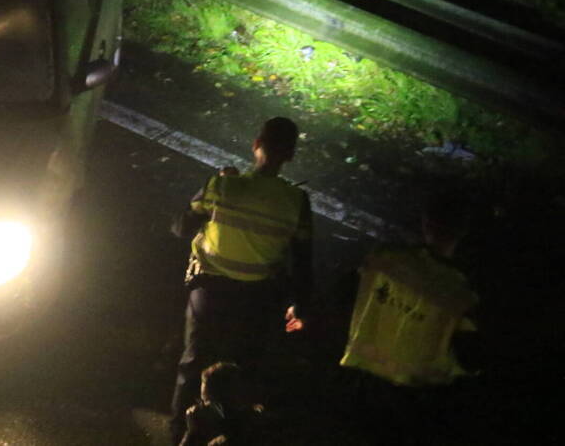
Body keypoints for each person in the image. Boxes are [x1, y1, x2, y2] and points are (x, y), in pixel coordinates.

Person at [170, 117, 313, 444]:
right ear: (290, 155)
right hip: (258, 298)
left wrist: (217, 183)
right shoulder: (297, 202)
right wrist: (300, 305)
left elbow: (180, 227)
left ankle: (180, 433)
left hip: (209, 292)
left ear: (256, 144)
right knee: (244, 373)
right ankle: (233, 436)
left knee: (193, 364)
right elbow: (303, 260)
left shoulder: (223, 185)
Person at [336, 188, 479, 444]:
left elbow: (343, 295)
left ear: (425, 222)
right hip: (414, 400)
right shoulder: (460, 294)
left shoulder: (383, 260)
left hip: (362, 385)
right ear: (464, 231)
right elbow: (471, 358)